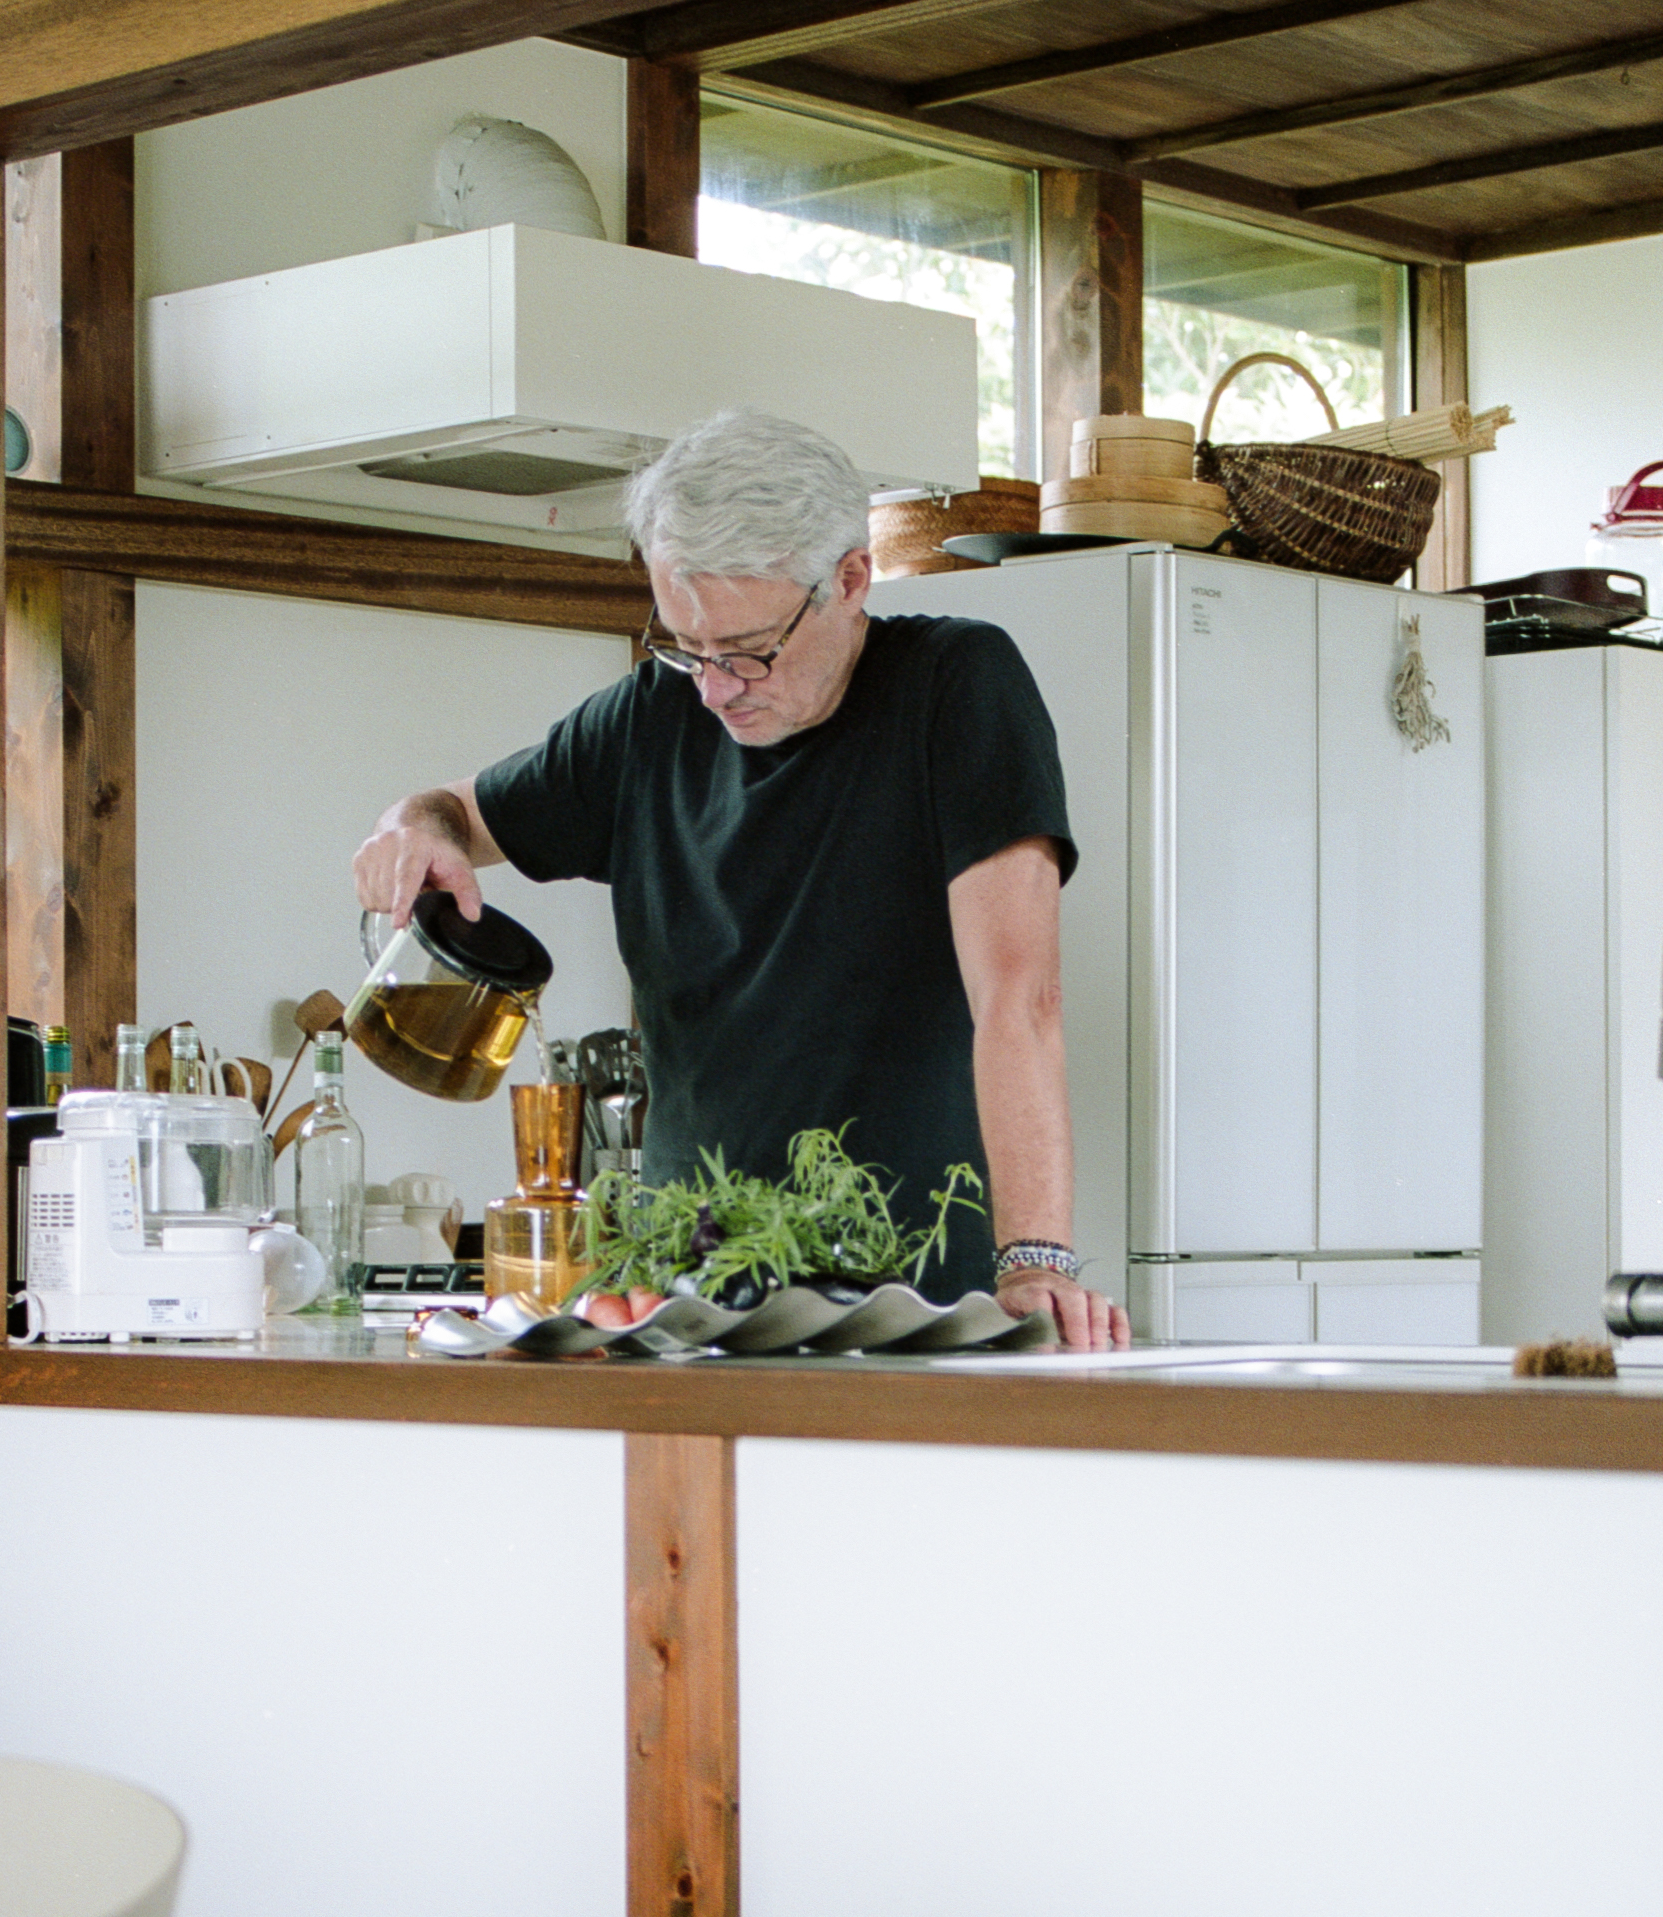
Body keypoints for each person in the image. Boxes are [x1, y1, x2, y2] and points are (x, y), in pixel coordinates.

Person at [354, 406, 1131, 1349]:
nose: (717, 687)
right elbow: (452, 812)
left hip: (918, 1303)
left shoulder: (955, 689)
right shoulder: (648, 723)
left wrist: (1035, 1260)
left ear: (850, 579)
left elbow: (1020, 995)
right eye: (687, 646)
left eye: (750, 649)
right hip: (691, 1303)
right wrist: (411, 829)